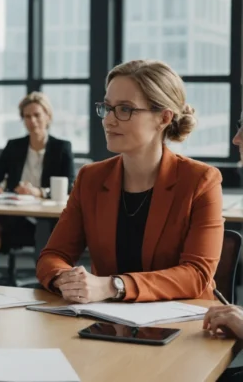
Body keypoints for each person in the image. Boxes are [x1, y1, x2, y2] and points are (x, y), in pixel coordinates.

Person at [35, 59, 224, 303]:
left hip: (184, 322)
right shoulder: (91, 178)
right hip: (107, 321)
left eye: (125, 109)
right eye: (107, 107)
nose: (108, 120)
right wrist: (65, 279)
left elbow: (196, 274)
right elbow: (53, 255)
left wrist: (113, 286)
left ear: (164, 118)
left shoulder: (201, 181)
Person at [0, 92, 75, 285]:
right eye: (27, 116)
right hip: (15, 215)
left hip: (43, 221)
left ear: (47, 116)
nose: (32, 120)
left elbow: (70, 186)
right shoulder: (14, 146)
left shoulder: (62, 148)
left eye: (37, 115)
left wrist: (39, 192)